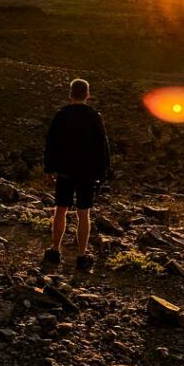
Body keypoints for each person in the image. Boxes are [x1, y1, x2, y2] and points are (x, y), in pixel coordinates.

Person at [43, 78, 111, 270]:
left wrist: (49, 168)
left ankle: (55, 250)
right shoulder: (94, 116)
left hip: (65, 170)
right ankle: (81, 256)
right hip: (86, 173)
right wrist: (102, 172)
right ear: (87, 95)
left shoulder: (61, 115)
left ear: (70, 94)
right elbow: (102, 146)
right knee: (83, 214)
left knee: (60, 210)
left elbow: (51, 143)